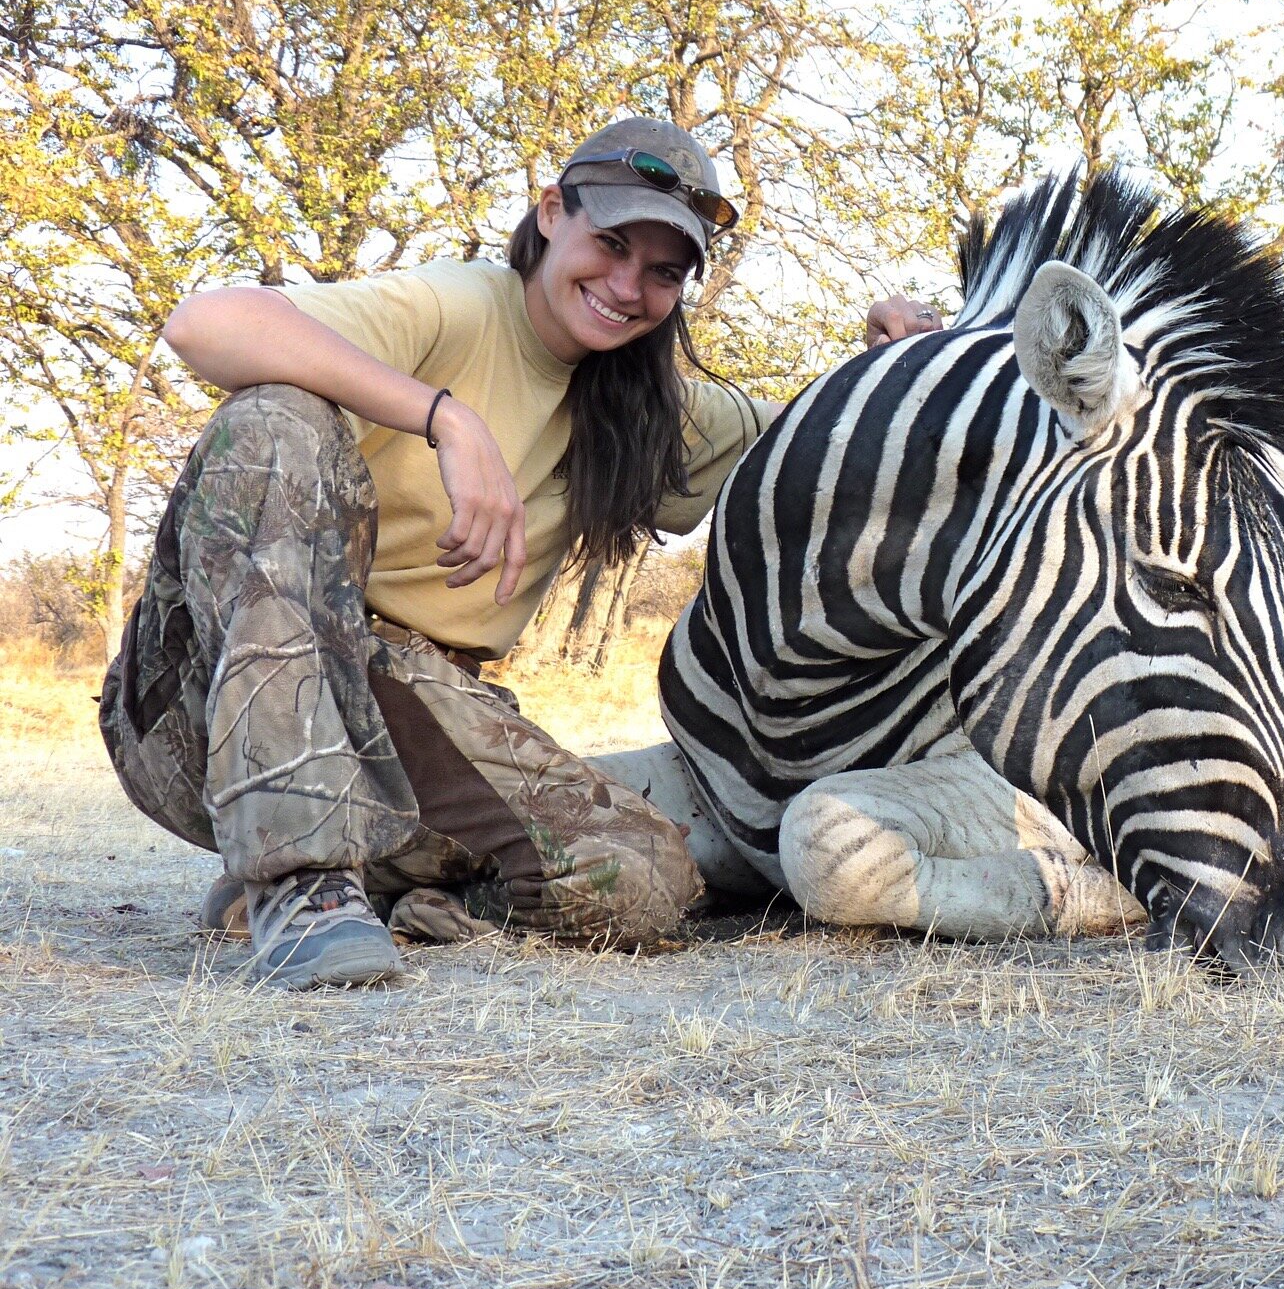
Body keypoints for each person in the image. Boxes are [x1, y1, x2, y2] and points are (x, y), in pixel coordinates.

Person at [100, 117, 943, 989]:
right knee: (274, 421)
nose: (626, 286)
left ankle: (384, 887)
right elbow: (207, 322)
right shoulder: (458, 305)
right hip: (195, 710)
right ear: (550, 213)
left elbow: (822, 442)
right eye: (610, 243)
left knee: (644, 885)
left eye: (662, 272)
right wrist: (446, 419)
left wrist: (891, 365)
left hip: (411, 704)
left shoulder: (654, 411)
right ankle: (299, 886)